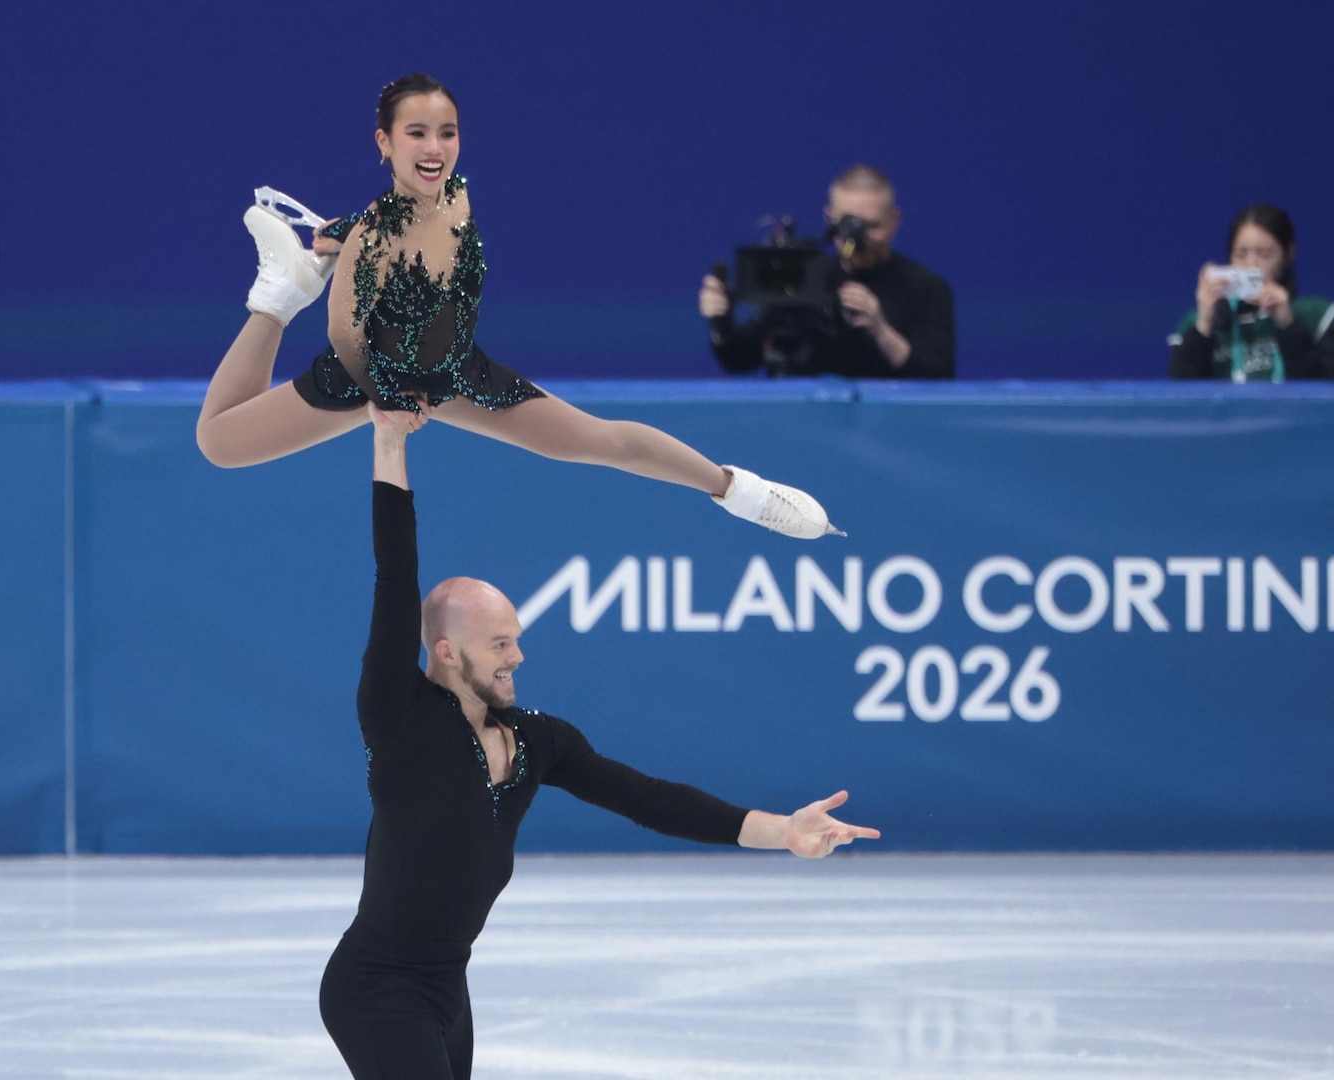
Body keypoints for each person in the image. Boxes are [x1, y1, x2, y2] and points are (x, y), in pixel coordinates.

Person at [320, 401, 880, 1079]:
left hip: (447, 990)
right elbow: (394, 572)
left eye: (517, 639)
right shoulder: (398, 714)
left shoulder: (537, 742)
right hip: (376, 990)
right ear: (444, 650)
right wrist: (387, 441)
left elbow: (646, 798)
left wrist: (781, 830)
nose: (517, 656)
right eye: (500, 643)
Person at [195, 74, 836, 540]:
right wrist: (384, 398)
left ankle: (741, 491)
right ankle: (278, 300)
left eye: (447, 132)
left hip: (454, 372)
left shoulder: (457, 196)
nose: (436, 146)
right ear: (383, 142)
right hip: (375, 375)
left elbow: (414, 232)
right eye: (416, 132)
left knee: (596, 440)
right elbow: (345, 335)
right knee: (219, 442)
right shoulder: (373, 234)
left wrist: (353, 230)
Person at [698, 166, 955, 379]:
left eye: (872, 226)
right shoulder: (808, 277)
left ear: (894, 221)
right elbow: (738, 359)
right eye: (848, 224)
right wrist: (721, 324)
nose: (859, 238)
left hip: (889, 430)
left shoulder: (926, 288)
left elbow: (938, 380)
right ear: (829, 218)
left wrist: (881, 330)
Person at [1168, 203, 1334, 381]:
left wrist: (1288, 325)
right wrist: (1203, 325)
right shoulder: (1197, 323)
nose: (1251, 264)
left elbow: (1327, 396)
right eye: (1241, 254)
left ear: (1288, 254)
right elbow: (1180, 397)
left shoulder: (1313, 316)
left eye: (1265, 254)